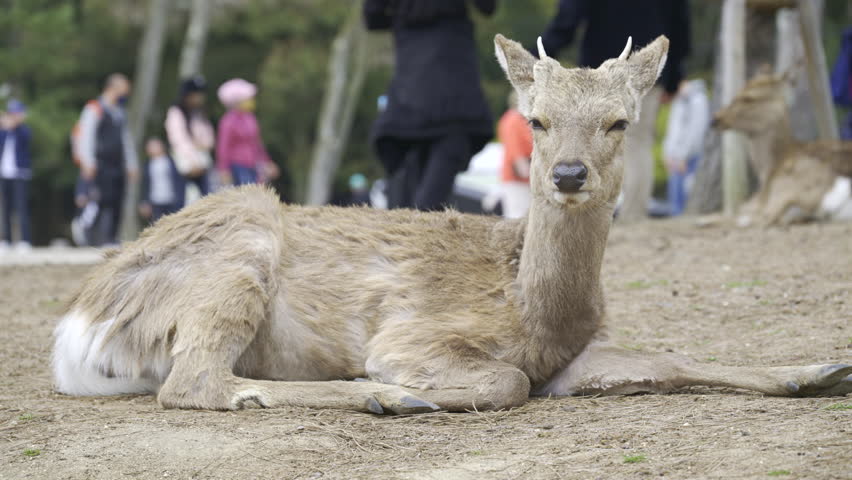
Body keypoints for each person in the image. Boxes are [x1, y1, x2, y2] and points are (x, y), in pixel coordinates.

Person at [536, 0, 690, 220]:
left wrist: (541, 54)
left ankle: (592, 217)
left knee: (589, 141)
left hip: (596, 72)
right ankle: (634, 217)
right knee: (638, 144)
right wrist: (674, 76)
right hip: (644, 74)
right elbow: (679, 23)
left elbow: (569, 15)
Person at [363, 0, 497, 211]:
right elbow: (488, 7)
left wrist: (405, 16)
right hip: (452, 74)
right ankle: (419, 223)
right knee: (448, 147)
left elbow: (372, 18)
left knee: (414, 163)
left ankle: (411, 223)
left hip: (412, 79)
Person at [76, 73, 138, 246]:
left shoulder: (120, 112)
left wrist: (131, 163)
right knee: (100, 201)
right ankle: (90, 235)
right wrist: (87, 161)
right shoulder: (95, 108)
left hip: (117, 165)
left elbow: (126, 140)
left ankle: (111, 237)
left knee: (117, 200)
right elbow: (85, 136)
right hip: (100, 164)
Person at [216, 78, 279, 186]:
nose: (251, 100)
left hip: (253, 165)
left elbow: (257, 144)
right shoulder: (228, 121)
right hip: (237, 166)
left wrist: (267, 162)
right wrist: (223, 169)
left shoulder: (250, 118)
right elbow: (223, 147)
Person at [165, 76, 215, 205]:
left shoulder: (199, 114)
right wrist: (193, 161)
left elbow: (208, 138)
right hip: (185, 164)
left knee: (206, 199)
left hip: (202, 163)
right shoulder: (176, 113)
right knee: (181, 201)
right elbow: (179, 140)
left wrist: (204, 145)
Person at [662, 79, 709, 216]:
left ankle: (684, 216)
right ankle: (676, 215)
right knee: (675, 193)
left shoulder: (698, 100)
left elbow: (696, 131)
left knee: (687, 190)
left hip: (689, 156)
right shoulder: (680, 100)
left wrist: (684, 156)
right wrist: (668, 153)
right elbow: (673, 130)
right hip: (676, 157)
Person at [0, 100, 32, 250]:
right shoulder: (3, 132)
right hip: (4, 174)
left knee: (21, 208)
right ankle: (6, 240)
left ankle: (25, 240)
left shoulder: (24, 130)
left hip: (20, 174)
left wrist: (15, 126)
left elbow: (26, 139)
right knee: (5, 208)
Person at [497, 92, 533, 218]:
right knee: (517, 216)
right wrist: (525, 172)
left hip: (523, 177)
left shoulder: (518, 119)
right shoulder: (514, 120)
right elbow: (514, 148)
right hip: (518, 178)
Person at [139, 137, 181, 224]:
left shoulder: (172, 161)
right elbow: (144, 185)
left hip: (172, 200)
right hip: (155, 201)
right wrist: (144, 202)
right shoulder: (147, 165)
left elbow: (179, 181)